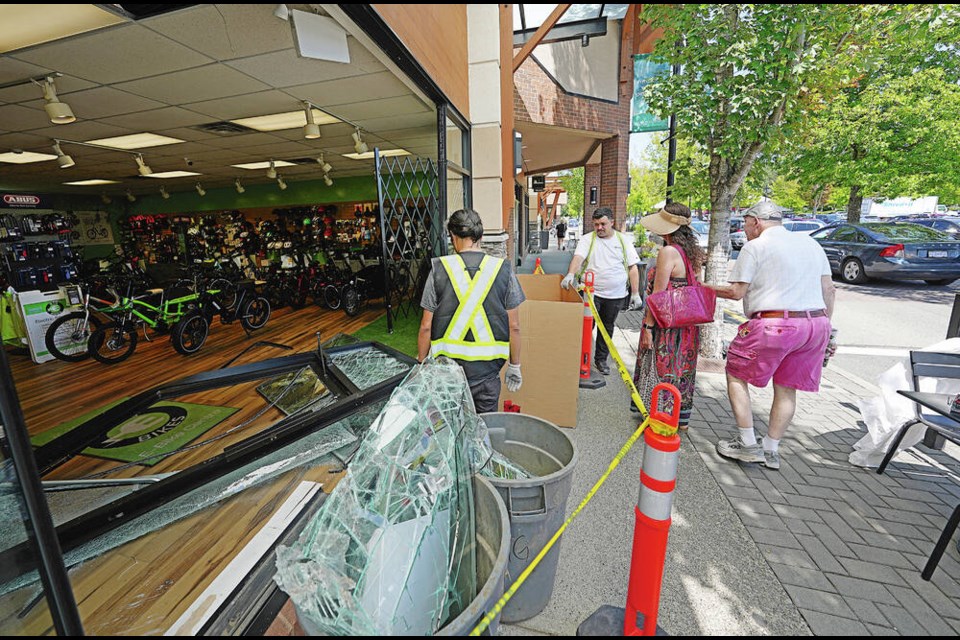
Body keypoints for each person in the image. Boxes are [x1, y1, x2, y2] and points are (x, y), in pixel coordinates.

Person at [709, 200, 836, 470]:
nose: (743, 229)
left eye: (745, 223)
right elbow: (829, 290)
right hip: (815, 325)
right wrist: (828, 332)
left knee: (735, 373)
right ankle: (771, 448)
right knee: (787, 387)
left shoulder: (756, 246)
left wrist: (703, 287)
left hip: (774, 323)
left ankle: (746, 443)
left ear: (756, 221)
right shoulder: (811, 244)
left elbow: (736, 292)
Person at [418, 208, 525, 413]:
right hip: (488, 376)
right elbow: (515, 326)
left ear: (453, 237)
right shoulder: (502, 269)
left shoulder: (440, 269)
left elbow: (425, 326)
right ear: (481, 237)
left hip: (447, 377)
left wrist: (422, 365)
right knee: (484, 431)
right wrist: (515, 365)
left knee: (452, 433)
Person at [632, 203, 705, 429]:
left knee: (661, 366)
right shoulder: (692, 253)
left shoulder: (668, 252)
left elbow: (658, 295)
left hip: (666, 325)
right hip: (687, 325)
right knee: (682, 369)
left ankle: (659, 416)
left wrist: (648, 329)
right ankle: (679, 418)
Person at [561, 207, 643, 375]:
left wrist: (635, 293)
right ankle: (580, 359)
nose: (599, 228)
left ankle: (601, 360)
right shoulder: (587, 239)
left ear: (612, 222)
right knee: (585, 327)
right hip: (591, 294)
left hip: (616, 295)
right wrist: (570, 274)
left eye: (603, 224)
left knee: (606, 328)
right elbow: (578, 258)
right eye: (596, 224)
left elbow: (632, 268)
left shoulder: (623, 241)